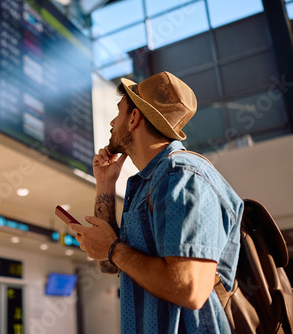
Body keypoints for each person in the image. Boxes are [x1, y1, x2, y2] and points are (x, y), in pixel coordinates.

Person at [69, 71, 243, 333]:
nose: (113, 122)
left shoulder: (182, 174)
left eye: (119, 112)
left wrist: (114, 248)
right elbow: (109, 263)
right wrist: (105, 183)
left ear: (134, 118)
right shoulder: (149, 182)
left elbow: (189, 289)